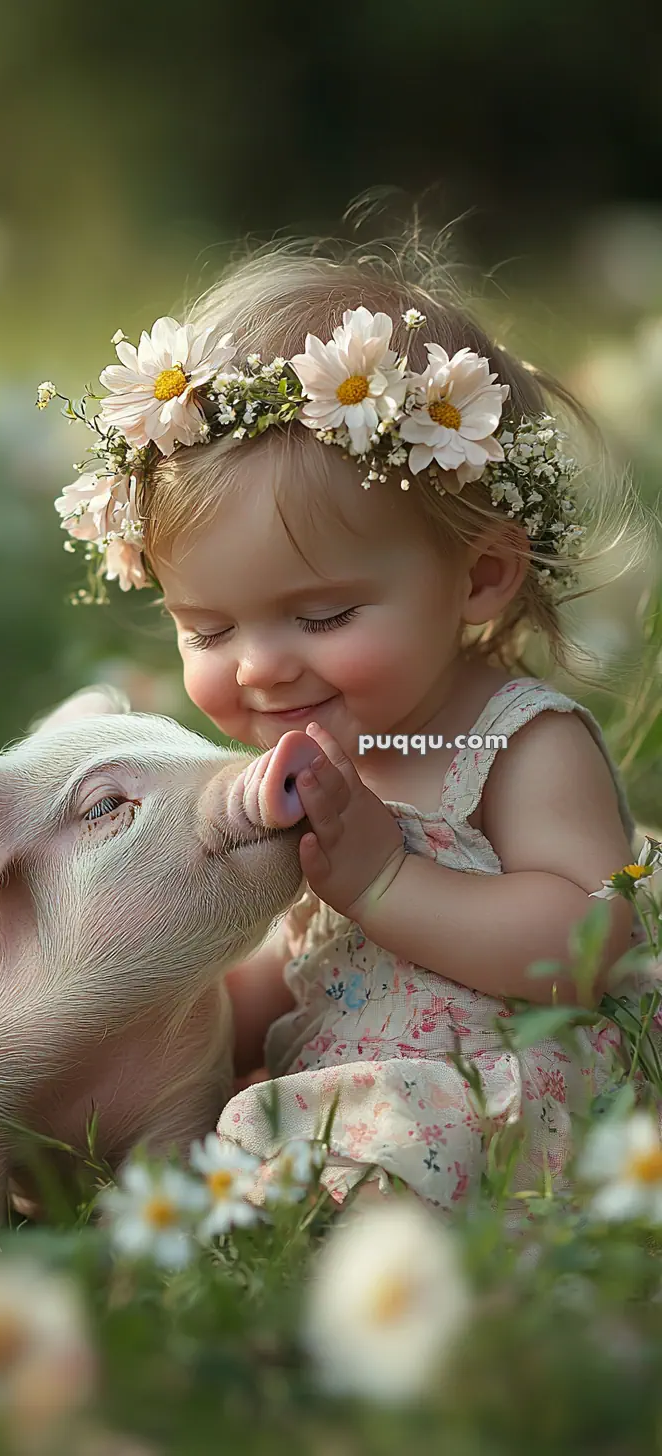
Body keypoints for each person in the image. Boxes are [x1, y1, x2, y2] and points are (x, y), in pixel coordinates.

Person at [44, 235, 658, 1216]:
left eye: (323, 617)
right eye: (205, 627)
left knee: (395, 1146)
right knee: (178, 1119)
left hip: (496, 1080)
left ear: (482, 575)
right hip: (339, 1084)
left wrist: (385, 879)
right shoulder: (297, 758)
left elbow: (585, 947)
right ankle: (52, 1166)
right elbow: (289, 963)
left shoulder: (517, 742)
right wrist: (174, 1023)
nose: (259, 665)